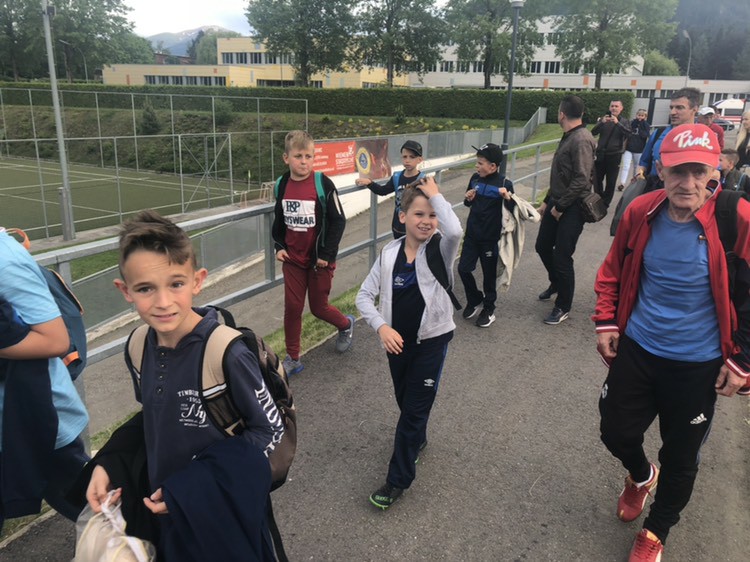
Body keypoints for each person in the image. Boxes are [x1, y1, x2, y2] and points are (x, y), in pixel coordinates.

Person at [84, 210, 284, 559]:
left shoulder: (226, 352)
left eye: (176, 284)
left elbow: (269, 431)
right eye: (145, 288)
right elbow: (154, 420)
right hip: (164, 507)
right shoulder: (138, 345)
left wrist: (193, 487)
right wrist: (108, 464)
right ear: (125, 290)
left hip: (220, 512)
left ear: (197, 281)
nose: (163, 302)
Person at [593, 124, 750, 562]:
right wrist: (606, 320)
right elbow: (613, 270)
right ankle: (642, 476)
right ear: (661, 170)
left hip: (698, 363)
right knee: (614, 431)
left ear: (716, 170)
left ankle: (656, 531)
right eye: (678, 171)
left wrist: (743, 359)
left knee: (681, 456)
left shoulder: (737, 218)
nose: (688, 183)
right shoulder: (641, 210)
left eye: (699, 171)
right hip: (640, 348)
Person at [356, 176, 462, 510]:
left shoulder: (441, 248)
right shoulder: (389, 254)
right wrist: (381, 327)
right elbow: (363, 297)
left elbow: (455, 231)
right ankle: (418, 436)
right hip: (397, 344)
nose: (427, 221)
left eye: (432, 215)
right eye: (419, 214)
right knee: (405, 401)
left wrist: (436, 196)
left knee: (413, 412)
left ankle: (397, 480)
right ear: (402, 217)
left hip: (432, 341)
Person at [0, 228, 89, 529]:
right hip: (12, 421)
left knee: (100, 516)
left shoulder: (5, 260)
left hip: (38, 421)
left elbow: (55, 341)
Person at [272, 130, 355, 376]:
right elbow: (279, 220)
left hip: (319, 261)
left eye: (309, 156)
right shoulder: (281, 184)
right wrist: (279, 247)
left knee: (319, 308)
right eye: (298, 156)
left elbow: (338, 221)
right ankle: (293, 358)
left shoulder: (323, 184)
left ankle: (346, 324)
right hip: (293, 261)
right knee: (293, 308)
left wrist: (326, 254)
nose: (304, 162)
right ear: (286, 158)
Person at [535, 95, 596, 325]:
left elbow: (581, 179)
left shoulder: (581, 139)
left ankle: (563, 305)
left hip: (573, 206)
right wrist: (547, 200)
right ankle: (557, 282)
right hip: (557, 200)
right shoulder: (569, 135)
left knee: (562, 256)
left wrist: (560, 207)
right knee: (542, 246)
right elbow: (562, 175)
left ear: (562, 114)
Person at [458, 143, 514, 328]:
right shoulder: (475, 179)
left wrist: (508, 198)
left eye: (480, 163)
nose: (477, 166)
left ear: (493, 166)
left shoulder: (505, 184)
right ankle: (475, 299)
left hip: (491, 239)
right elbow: (467, 203)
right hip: (472, 235)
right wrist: (468, 198)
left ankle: (489, 309)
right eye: (477, 162)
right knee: (463, 269)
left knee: (489, 276)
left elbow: (514, 211)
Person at [355, 140, 425, 239]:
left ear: (419, 160)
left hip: (414, 228)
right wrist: (370, 183)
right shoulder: (397, 177)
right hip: (397, 227)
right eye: (405, 157)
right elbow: (383, 191)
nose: (407, 160)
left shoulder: (423, 180)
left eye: (412, 157)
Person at [636, 87, 701, 191]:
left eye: (679, 108)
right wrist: (639, 175)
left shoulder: (703, 137)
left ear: (695, 109)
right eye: (671, 107)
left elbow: (714, 172)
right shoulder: (658, 133)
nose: (673, 112)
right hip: (654, 188)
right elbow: (644, 162)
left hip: (685, 190)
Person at [591, 99, 630, 206]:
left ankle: (605, 203)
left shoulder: (624, 121)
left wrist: (617, 123)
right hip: (600, 154)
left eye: (616, 106)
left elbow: (628, 134)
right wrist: (601, 123)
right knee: (597, 180)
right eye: (612, 106)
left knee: (611, 181)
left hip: (614, 155)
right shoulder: (603, 120)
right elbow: (593, 132)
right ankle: (599, 200)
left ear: (621, 108)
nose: (614, 108)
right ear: (609, 108)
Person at [617, 109, 650, 190]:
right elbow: (627, 132)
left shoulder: (646, 125)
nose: (640, 117)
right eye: (639, 115)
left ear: (645, 117)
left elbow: (645, 135)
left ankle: (633, 183)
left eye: (642, 116)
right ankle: (622, 183)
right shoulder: (632, 123)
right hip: (629, 148)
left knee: (636, 167)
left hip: (639, 149)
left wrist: (640, 127)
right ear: (636, 115)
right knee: (626, 166)